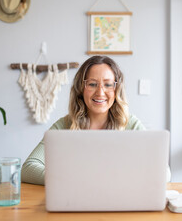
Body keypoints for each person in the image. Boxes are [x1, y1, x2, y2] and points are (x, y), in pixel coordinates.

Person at [21, 56, 146, 185]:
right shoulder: (64, 125)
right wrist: (70, 180)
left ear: (117, 89)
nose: (100, 92)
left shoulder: (131, 124)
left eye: (108, 84)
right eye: (92, 84)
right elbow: (28, 168)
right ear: (81, 88)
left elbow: (164, 171)